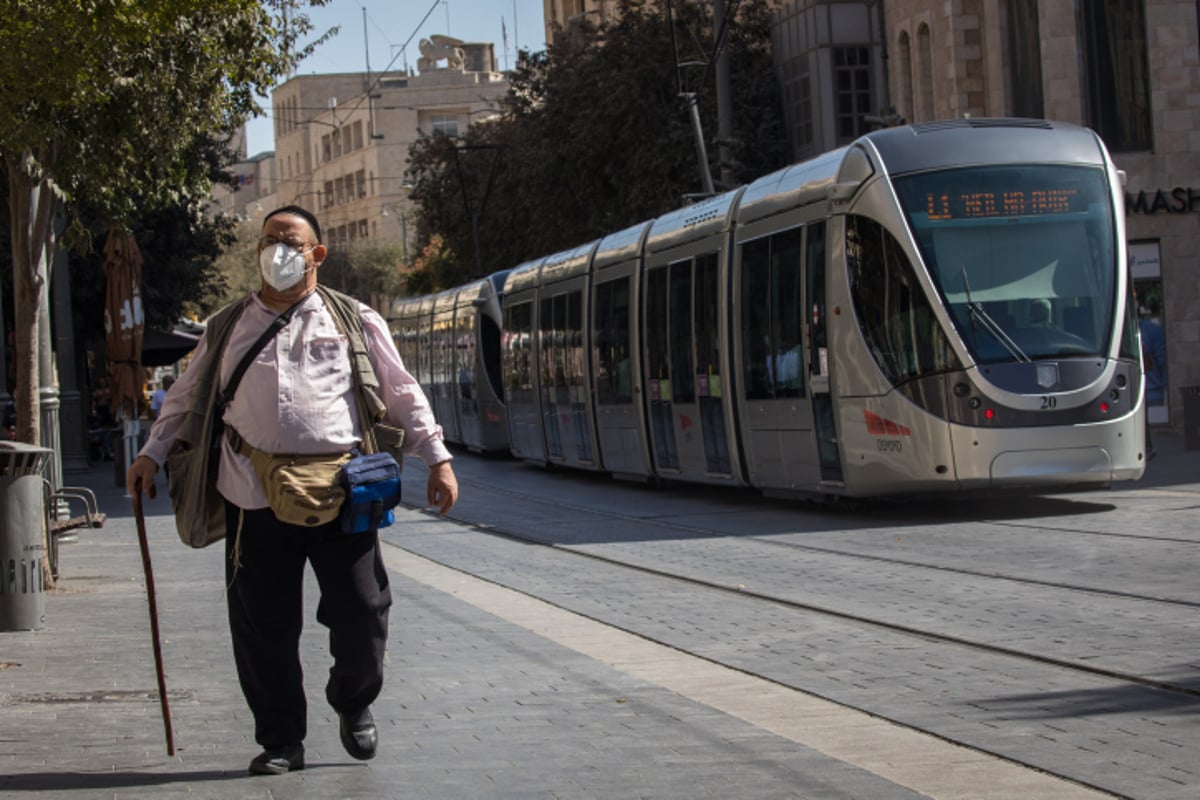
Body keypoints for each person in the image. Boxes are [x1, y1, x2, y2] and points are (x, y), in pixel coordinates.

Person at [126, 205, 458, 776]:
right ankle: (282, 739)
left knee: (363, 610)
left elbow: (403, 393)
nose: (277, 250)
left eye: (290, 241)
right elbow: (183, 399)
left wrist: (438, 459)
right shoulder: (226, 325)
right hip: (250, 491)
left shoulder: (354, 319)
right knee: (262, 626)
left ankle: (354, 702)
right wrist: (150, 454)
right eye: (269, 239)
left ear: (316, 254)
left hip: (343, 491)